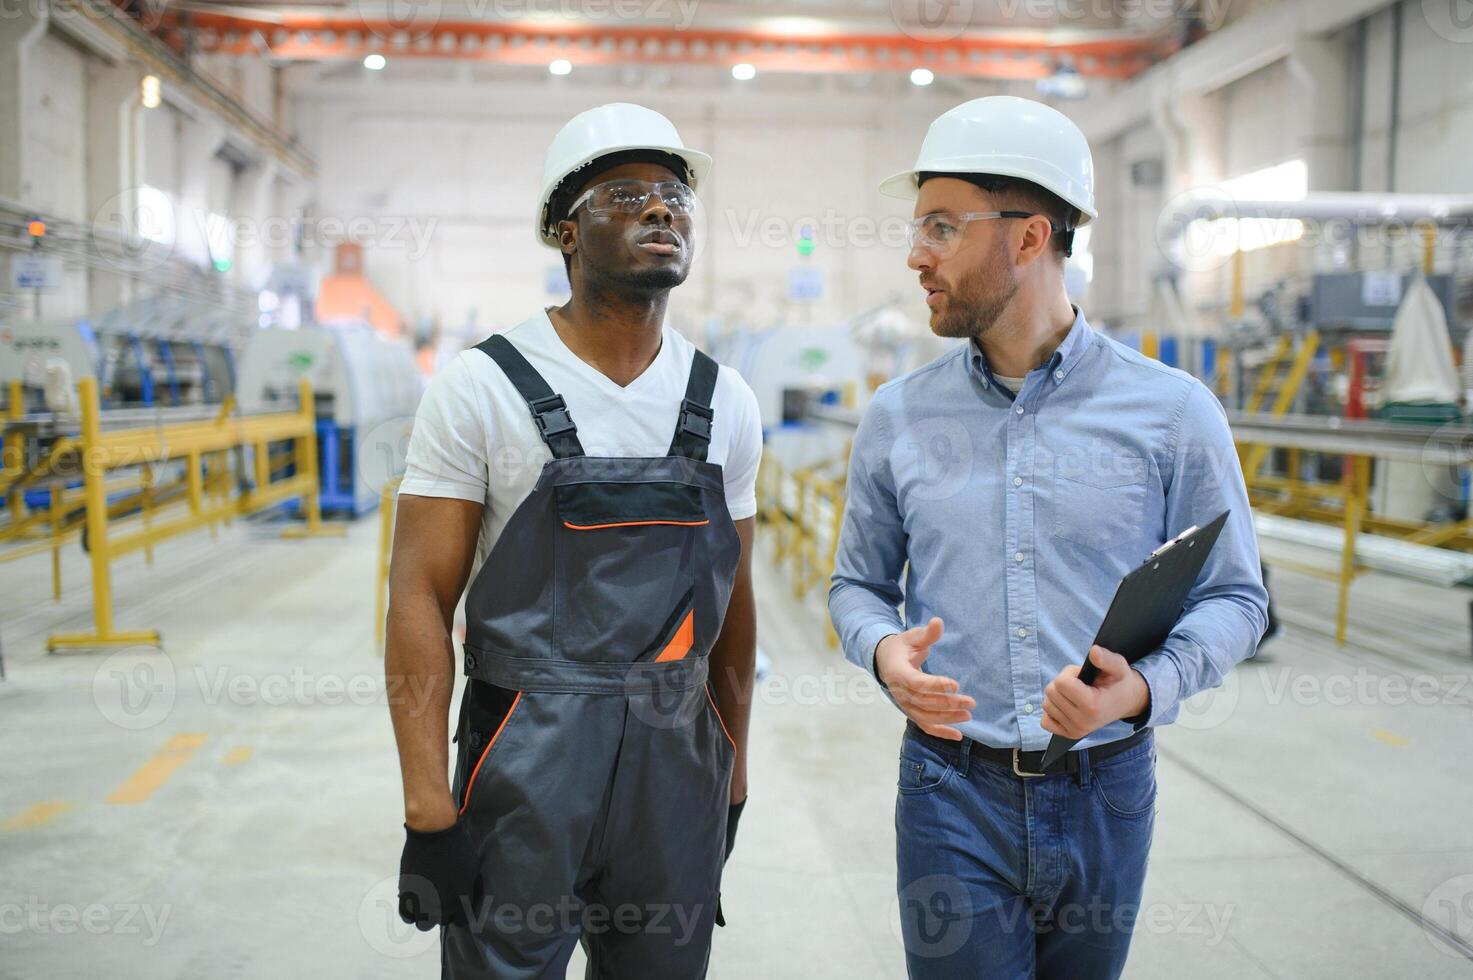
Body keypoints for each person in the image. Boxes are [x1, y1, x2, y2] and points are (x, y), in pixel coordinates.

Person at [828, 96, 1268, 979]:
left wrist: (1140, 689)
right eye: (917, 229)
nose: (916, 255)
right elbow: (856, 587)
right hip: (951, 788)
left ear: (1030, 238)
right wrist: (885, 656)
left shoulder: (1172, 413)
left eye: (942, 228)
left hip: (1107, 789)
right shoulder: (899, 416)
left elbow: (1236, 597)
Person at [386, 102, 762, 979]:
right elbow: (419, 598)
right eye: (626, 194)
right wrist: (425, 807)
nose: (662, 210)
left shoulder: (724, 400)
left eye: (675, 197)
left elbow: (734, 607)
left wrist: (732, 774)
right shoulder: (482, 386)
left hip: (677, 760)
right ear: (565, 230)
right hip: (526, 751)